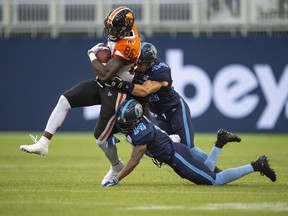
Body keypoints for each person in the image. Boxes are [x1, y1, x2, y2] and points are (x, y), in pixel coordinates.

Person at [20, 6, 141, 185]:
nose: (111, 32)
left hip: (117, 91)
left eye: (115, 29)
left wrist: (92, 55)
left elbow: (106, 74)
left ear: (125, 29)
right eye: (110, 28)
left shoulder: (129, 44)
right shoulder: (125, 28)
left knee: (100, 139)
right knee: (65, 100)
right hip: (104, 84)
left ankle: (116, 165)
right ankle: (44, 144)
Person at [102, 99, 277, 187]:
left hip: (176, 156)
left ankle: (256, 165)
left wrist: (117, 178)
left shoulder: (141, 132)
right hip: (176, 151)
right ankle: (220, 142)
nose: (123, 124)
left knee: (214, 180)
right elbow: (118, 127)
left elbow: (134, 160)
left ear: (135, 120)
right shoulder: (137, 123)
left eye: (126, 122)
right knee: (207, 172)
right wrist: (108, 136)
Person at [108, 42, 215, 168]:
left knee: (188, 147)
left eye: (143, 63)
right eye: (138, 62)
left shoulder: (160, 70)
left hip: (175, 109)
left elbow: (144, 91)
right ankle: (201, 171)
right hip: (159, 114)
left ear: (151, 63)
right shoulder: (135, 66)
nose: (139, 66)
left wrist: (121, 84)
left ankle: (214, 170)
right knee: (167, 147)